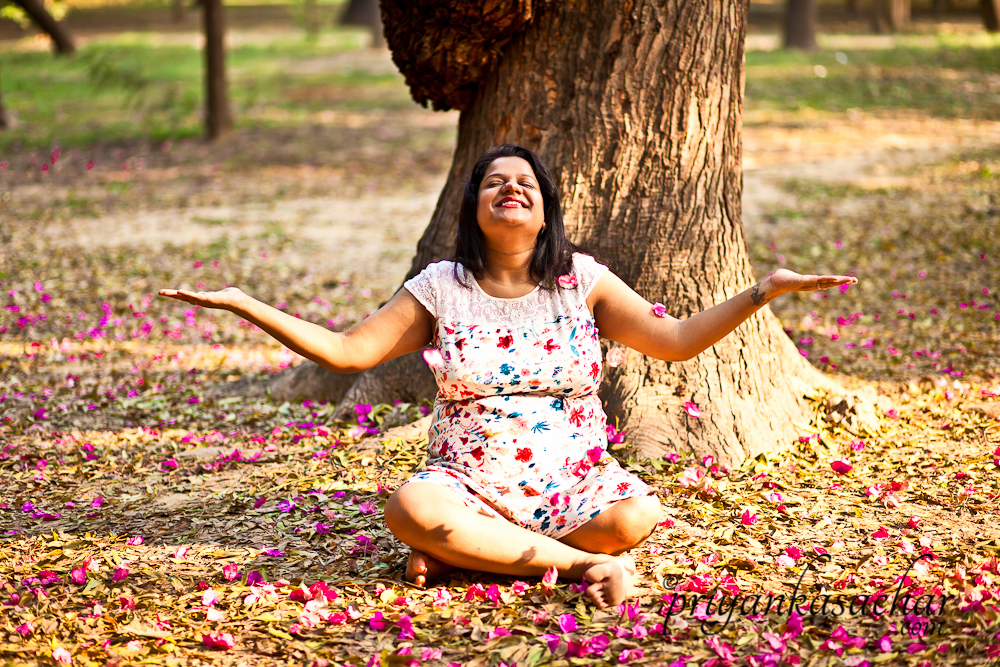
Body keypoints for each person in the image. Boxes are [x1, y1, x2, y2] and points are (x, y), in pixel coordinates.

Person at [160, 144, 858, 608]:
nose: (510, 189)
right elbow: (348, 352)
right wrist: (246, 304)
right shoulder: (441, 287)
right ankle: (577, 567)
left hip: (572, 483)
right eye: (495, 182)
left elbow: (673, 340)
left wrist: (761, 290)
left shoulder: (580, 280)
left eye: (525, 182)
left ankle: (469, 559)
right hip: (468, 484)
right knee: (411, 509)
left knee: (636, 515)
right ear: (475, 208)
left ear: (545, 207)